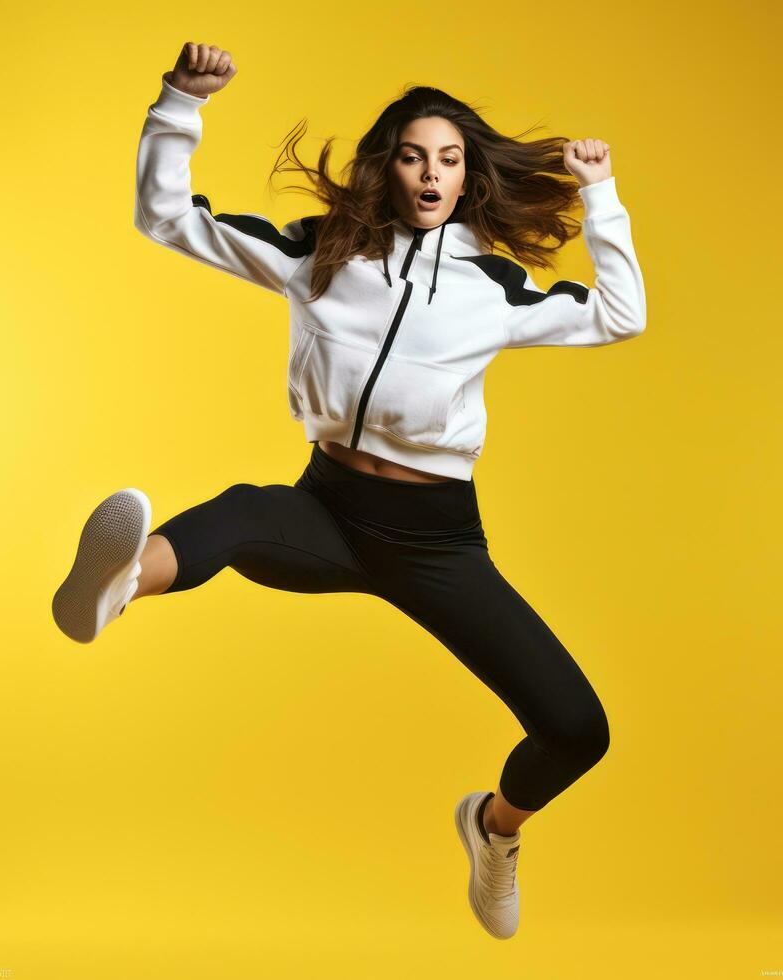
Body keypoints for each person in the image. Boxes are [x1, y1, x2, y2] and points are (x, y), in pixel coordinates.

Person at [52, 41, 647, 939]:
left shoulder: (493, 288)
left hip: (434, 540)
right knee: (246, 513)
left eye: (448, 159)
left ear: (466, 175)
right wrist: (179, 101)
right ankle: (117, 586)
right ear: (387, 165)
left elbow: (617, 315)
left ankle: (492, 831)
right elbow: (167, 217)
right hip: (325, 510)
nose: (430, 174)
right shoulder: (320, 255)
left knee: (575, 729)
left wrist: (599, 197)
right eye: (413, 155)